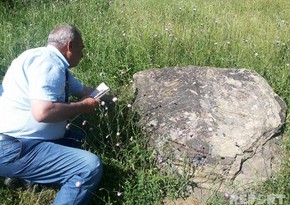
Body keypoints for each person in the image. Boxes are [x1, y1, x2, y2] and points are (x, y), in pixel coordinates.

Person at [0, 24, 103, 205]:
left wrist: (105, 96)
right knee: (88, 166)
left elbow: (82, 90)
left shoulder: (42, 60)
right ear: (70, 46)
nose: (83, 54)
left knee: (80, 138)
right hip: (15, 147)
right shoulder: (49, 64)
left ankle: (25, 178)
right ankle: (20, 172)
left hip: (17, 142)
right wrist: (82, 106)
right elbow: (43, 112)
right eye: (82, 48)